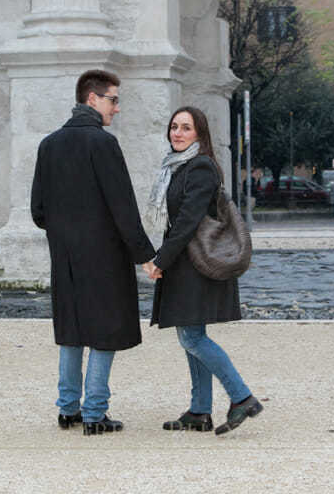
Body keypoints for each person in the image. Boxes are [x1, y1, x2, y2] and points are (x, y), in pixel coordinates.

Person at [31, 69, 156, 436]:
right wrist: (144, 254)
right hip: (104, 256)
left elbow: (38, 211)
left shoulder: (48, 145)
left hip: (65, 256)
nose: (117, 108)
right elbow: (123, 207)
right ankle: (95, 413)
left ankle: (68, 409)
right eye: (113, 100)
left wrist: (65, 232)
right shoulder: (103, 144)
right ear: (92, 99)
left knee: (71, 331)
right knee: (104, 331)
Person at [144, 106, 263, 436]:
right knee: (190, 337)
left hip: (195, 265)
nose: (177, 133)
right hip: (187, 264)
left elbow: (186, 222)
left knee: (192, 337)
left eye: (186, 128)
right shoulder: (179, 166)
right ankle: (199, 411)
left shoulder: (200, 168)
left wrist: (160, 260)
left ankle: (242, 397)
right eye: (174, 127)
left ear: (200, 134)